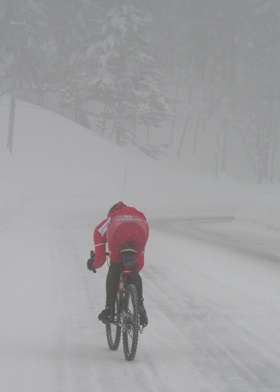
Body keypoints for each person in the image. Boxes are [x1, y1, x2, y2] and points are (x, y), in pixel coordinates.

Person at [87, 201, 149, 327]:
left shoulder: (109, 221)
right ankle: (141, 310)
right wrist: (132, 271)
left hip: (118, 236)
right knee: (135, 270)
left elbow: (100, 259)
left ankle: (109, 310)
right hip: (141, 231)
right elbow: (140, 264)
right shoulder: (138, 214)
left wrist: (93, 264)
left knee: (114, 270)